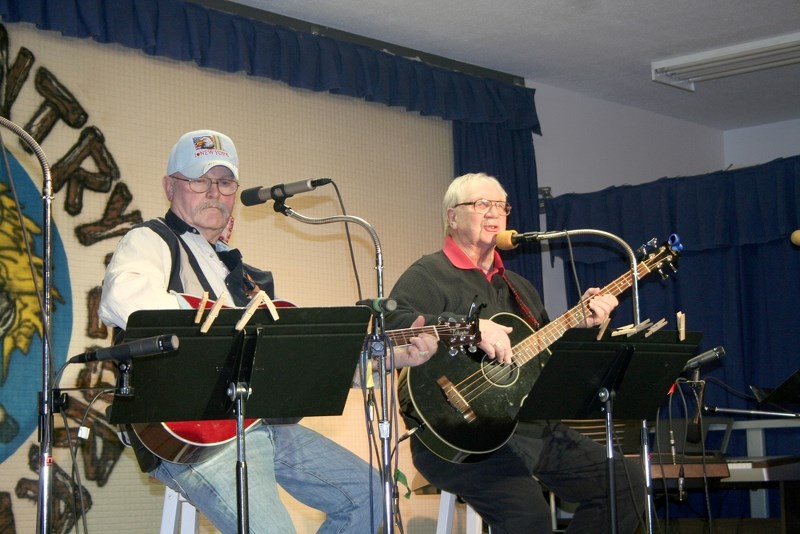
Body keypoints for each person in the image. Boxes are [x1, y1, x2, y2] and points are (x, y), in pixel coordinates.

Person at [98, 129, 438, 533]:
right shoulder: (152, 239)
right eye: (199, 180)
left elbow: (292, 364)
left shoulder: (244, 278)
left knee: (372, 493)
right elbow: (121, 299)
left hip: (259, 423)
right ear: (170, 186)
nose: (213, 192)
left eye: (224, 183)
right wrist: (220, 325)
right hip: (194, 433)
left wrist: (388, 356)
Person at [384, 172, 646, 533]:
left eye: (501, 207)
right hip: (461, 436)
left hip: (529, 428)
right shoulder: (430, 274)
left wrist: (581, 322)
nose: (494, 213)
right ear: (452, 216)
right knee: (530, 518)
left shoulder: (518, 287)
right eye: (481, 204)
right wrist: (469, 328)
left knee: (628, 483)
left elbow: (540, 361)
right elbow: (392, 325)